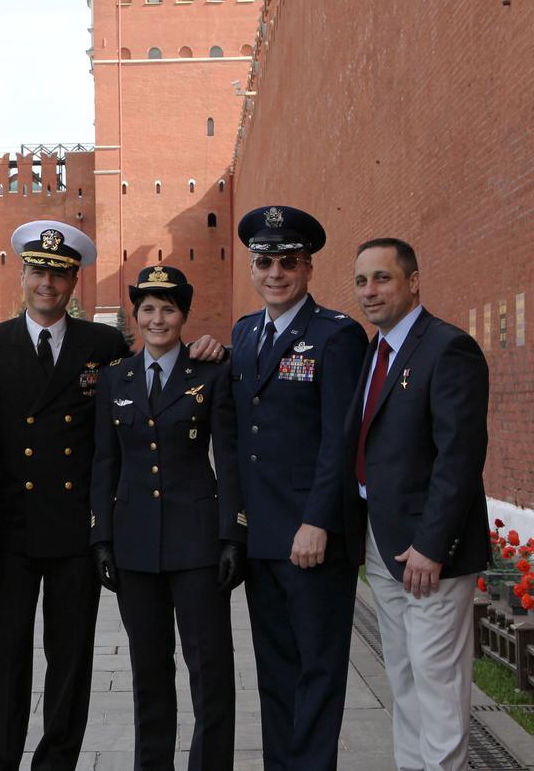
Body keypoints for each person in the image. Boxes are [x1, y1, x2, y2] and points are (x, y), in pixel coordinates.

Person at [191, 205, 366, 771]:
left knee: (317, 671)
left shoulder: (336, 336)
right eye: (264, 261)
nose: (275, 273)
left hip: (313, 538)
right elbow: (238, 438)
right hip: (261, 537)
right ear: (251, 267)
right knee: (275, 669)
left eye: (287, 262)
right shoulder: (243, 334)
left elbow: (341, 441)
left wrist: (318, 521)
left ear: (308, 268)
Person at [0, 220, 129, 771]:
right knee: (6, 654)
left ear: (75, 282)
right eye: (38, 272)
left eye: (59, 277)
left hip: (74, 529)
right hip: (11, 530)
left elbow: (149, 384)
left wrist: (205, 351)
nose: (47, 285)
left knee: (71, 657)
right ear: (23, 274)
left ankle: (56, 761)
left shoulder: (103, 345)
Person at [90, 265, 245, 771]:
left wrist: (231, 536)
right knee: (149, 673)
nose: (158, 319)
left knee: (210, 671)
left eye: (169, 309)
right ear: (135, 316)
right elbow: (104, 462)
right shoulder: (116, 378)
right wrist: (102, 538)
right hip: (135, 545)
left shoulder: (212, 373)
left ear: (183, 316)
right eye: (148, 309)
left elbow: (230, 457)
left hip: (198, 544)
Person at [343, 238, 489, 771]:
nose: (369, 291)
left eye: (382, 278)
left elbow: (460, 455)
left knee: (438, 684)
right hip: (383, 546)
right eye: (361, 281)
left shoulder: (447, 347)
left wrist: (432, 546)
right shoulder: (375, 350)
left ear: (413, 281)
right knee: (403, 679)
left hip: (428, 554)